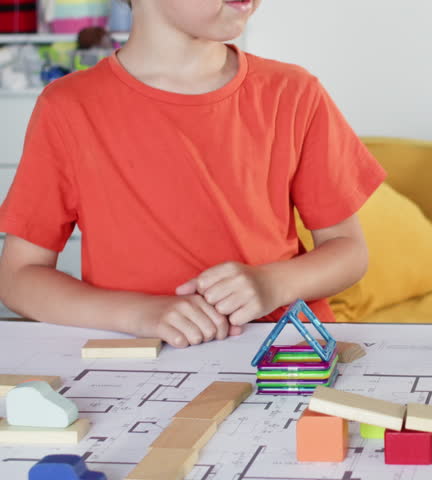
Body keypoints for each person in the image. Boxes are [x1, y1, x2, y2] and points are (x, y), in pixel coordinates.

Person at [0, 0, 386, 348]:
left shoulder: (295, 92)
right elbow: (19, 277)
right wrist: (139, 313)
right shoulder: (67, 108)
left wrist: (272, 285)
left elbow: (348, 252)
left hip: (284, 353)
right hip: (139, 363)